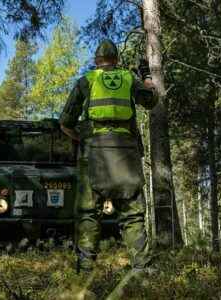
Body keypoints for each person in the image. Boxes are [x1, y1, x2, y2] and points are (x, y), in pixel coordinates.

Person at [59, 40, 157, 273]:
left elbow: (65, 123)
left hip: (93, 152)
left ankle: (85, 271)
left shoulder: (86, 81)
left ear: (96, 61)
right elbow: (151, 100)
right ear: (116, 60)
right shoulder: (128, 79)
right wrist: (147, 78)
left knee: (88, 213)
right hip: (126, 152)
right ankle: (141, 269)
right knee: (132, 214)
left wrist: (80, 138)